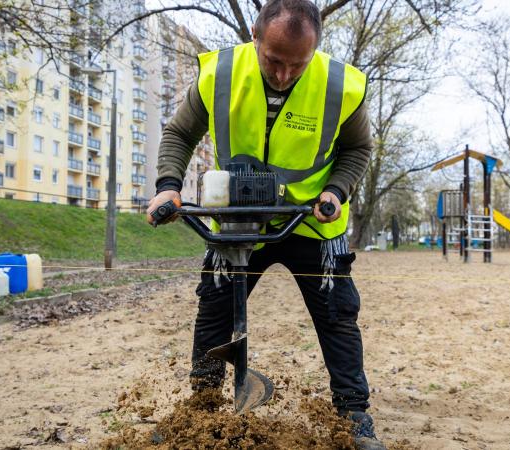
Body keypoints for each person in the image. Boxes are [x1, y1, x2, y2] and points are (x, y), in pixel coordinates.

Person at [146, 0, 382, 448]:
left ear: (315, 51)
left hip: (310, 222)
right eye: (274, 60)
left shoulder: (340, 85)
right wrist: (168, 185)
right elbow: (179, 133)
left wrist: (336, 192)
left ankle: (354, 414)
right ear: (255, 36)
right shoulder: (219, 73)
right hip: (238, 219)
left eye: (298, 64)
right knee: (215, 308)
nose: (283, 74)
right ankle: (200, 409)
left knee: (337, 316)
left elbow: (357, 151)